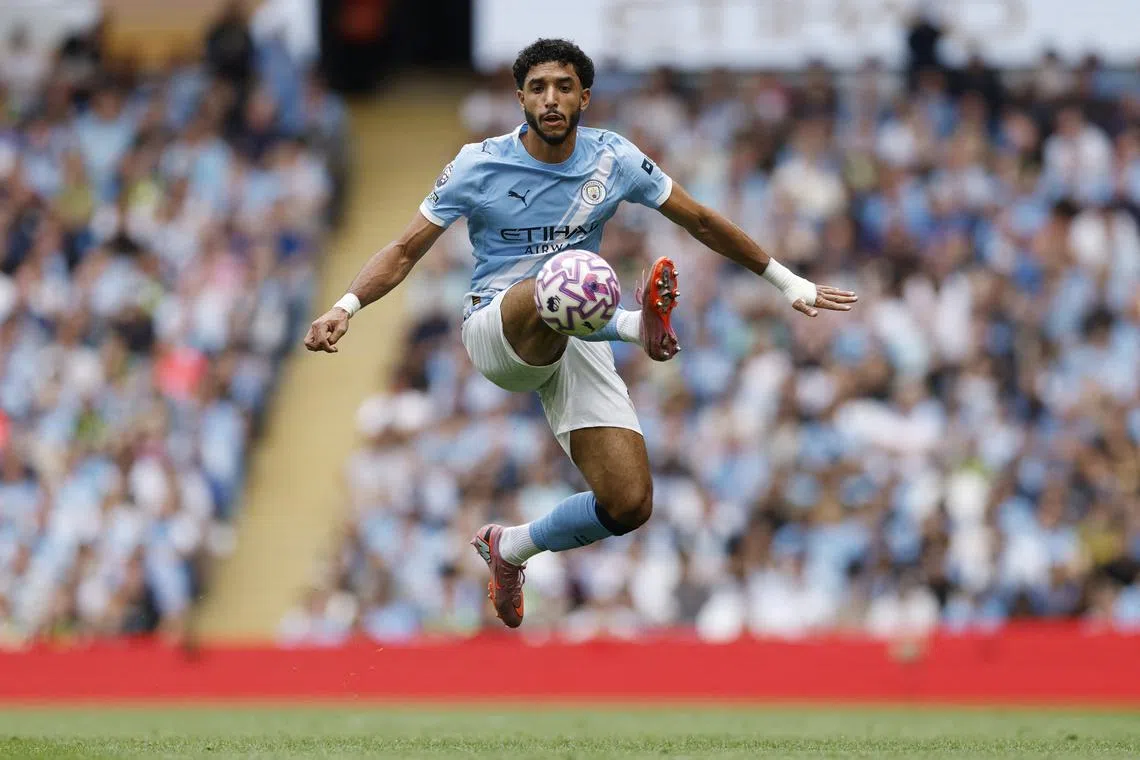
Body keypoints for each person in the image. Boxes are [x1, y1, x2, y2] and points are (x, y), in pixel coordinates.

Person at [303, 39, 857, 628]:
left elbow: (699, 218)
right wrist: (347, 305)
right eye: (538, 87)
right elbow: (405, 248)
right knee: (567, 272)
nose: (551, 98)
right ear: (520, 97)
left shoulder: (612, 159)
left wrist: (785, 279)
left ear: (584, 97)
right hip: (498, 326)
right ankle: (631, 327)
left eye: (564, 87)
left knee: (630, 502)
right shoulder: (478, 163)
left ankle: (512, 547)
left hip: (576, 328)